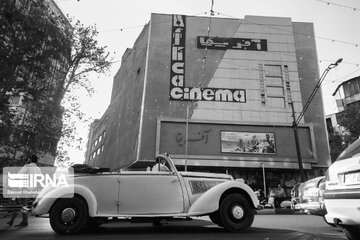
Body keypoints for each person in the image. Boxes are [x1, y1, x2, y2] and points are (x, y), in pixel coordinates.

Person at [7, 155, 41, 227]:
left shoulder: (27, 166)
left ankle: (24, 221)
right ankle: (12, 221)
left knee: (21, 205)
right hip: (32, 189)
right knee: (21, 204)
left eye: (29, 158)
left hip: (24, 188)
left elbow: (19, 174)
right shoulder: (38, 169)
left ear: (30, 159)